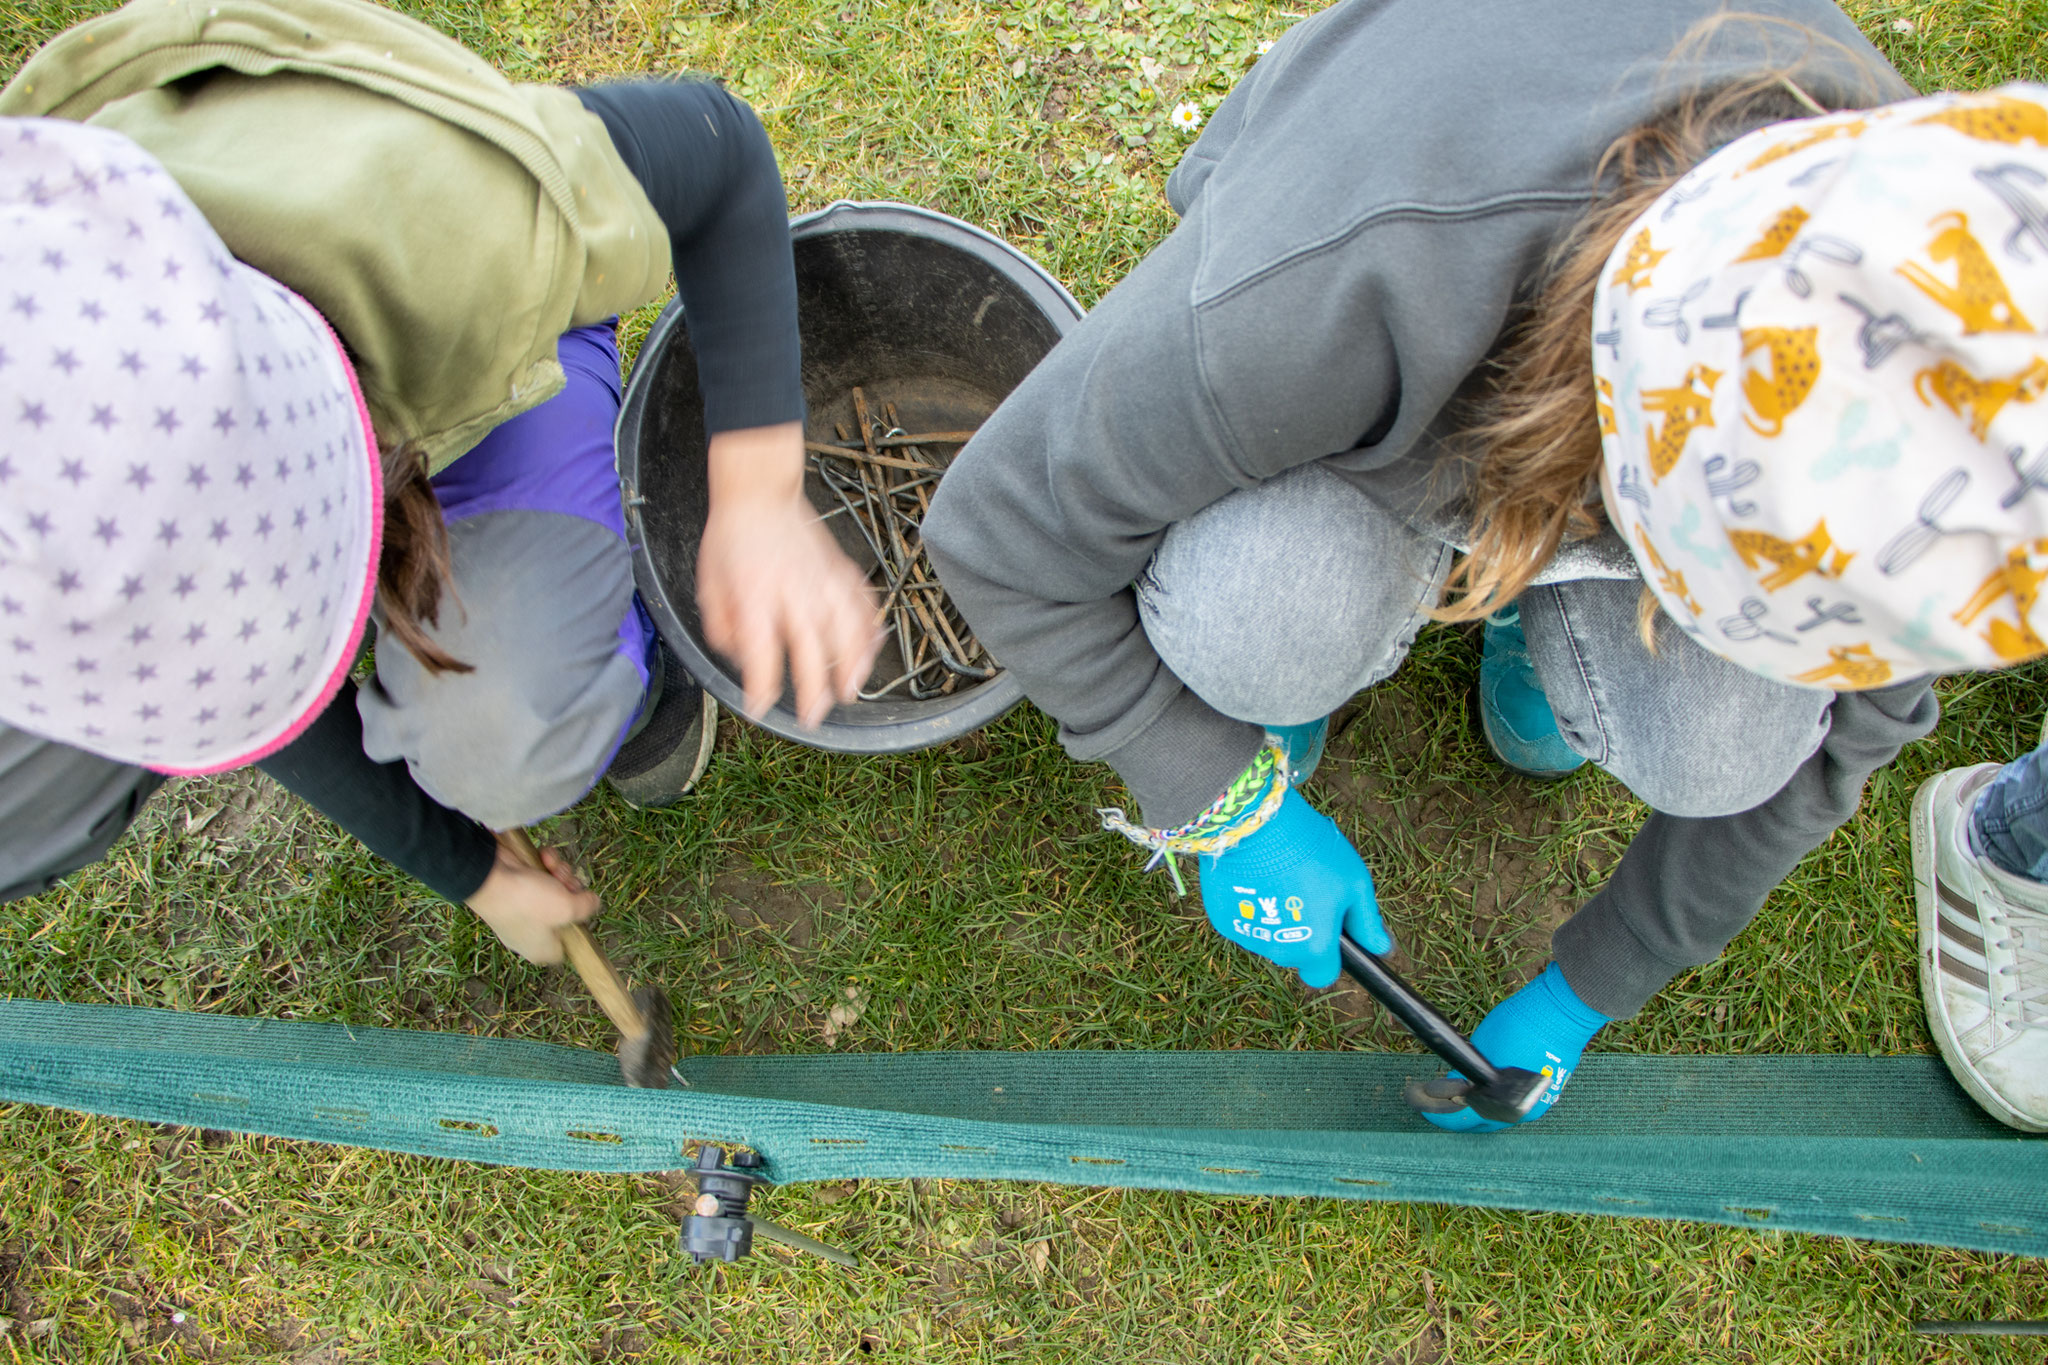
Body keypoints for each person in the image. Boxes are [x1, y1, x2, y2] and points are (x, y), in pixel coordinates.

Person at [927, 0, 2048, 1129]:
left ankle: (1523, 615)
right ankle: (1325, 660)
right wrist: (1219, 798)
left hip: (1563, 422)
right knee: (1254, 634)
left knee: (1729, 751)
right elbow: (998, 532)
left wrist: (1587, 990)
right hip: (1386, 363)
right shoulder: (1339, 284)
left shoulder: (1968, 395)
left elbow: (1844, 734)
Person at [0, 0, 880, 965]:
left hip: (456, 360)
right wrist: (473, 870)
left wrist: (757, 488)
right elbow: (232, 700)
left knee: (505, 727)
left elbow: (719, 150)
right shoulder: (66, 606)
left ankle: (622, 669)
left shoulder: (449, 221)